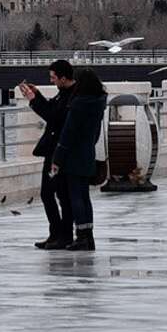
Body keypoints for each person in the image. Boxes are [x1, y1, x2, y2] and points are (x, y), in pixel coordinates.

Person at [19, 60, 75, 250]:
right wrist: (38, 95)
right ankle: (57, 234)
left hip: (60, 153)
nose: (51, 81)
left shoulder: (71, 97)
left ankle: (63, 235)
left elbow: (54, 117)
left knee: (59, 194)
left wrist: (33, 100)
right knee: (52, 193)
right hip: (54, 151)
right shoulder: (64, 95)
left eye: (53, 78)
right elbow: (53, 108)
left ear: (63, 78)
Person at [51, 67, 109, 251]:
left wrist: (57, 158)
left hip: (73, 157)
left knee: (75, 197)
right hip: (87, 154)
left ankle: (81, 237)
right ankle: (88, 236)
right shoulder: (98, 102)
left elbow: (68, 134)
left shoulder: (78, 104)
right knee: (84, 197)